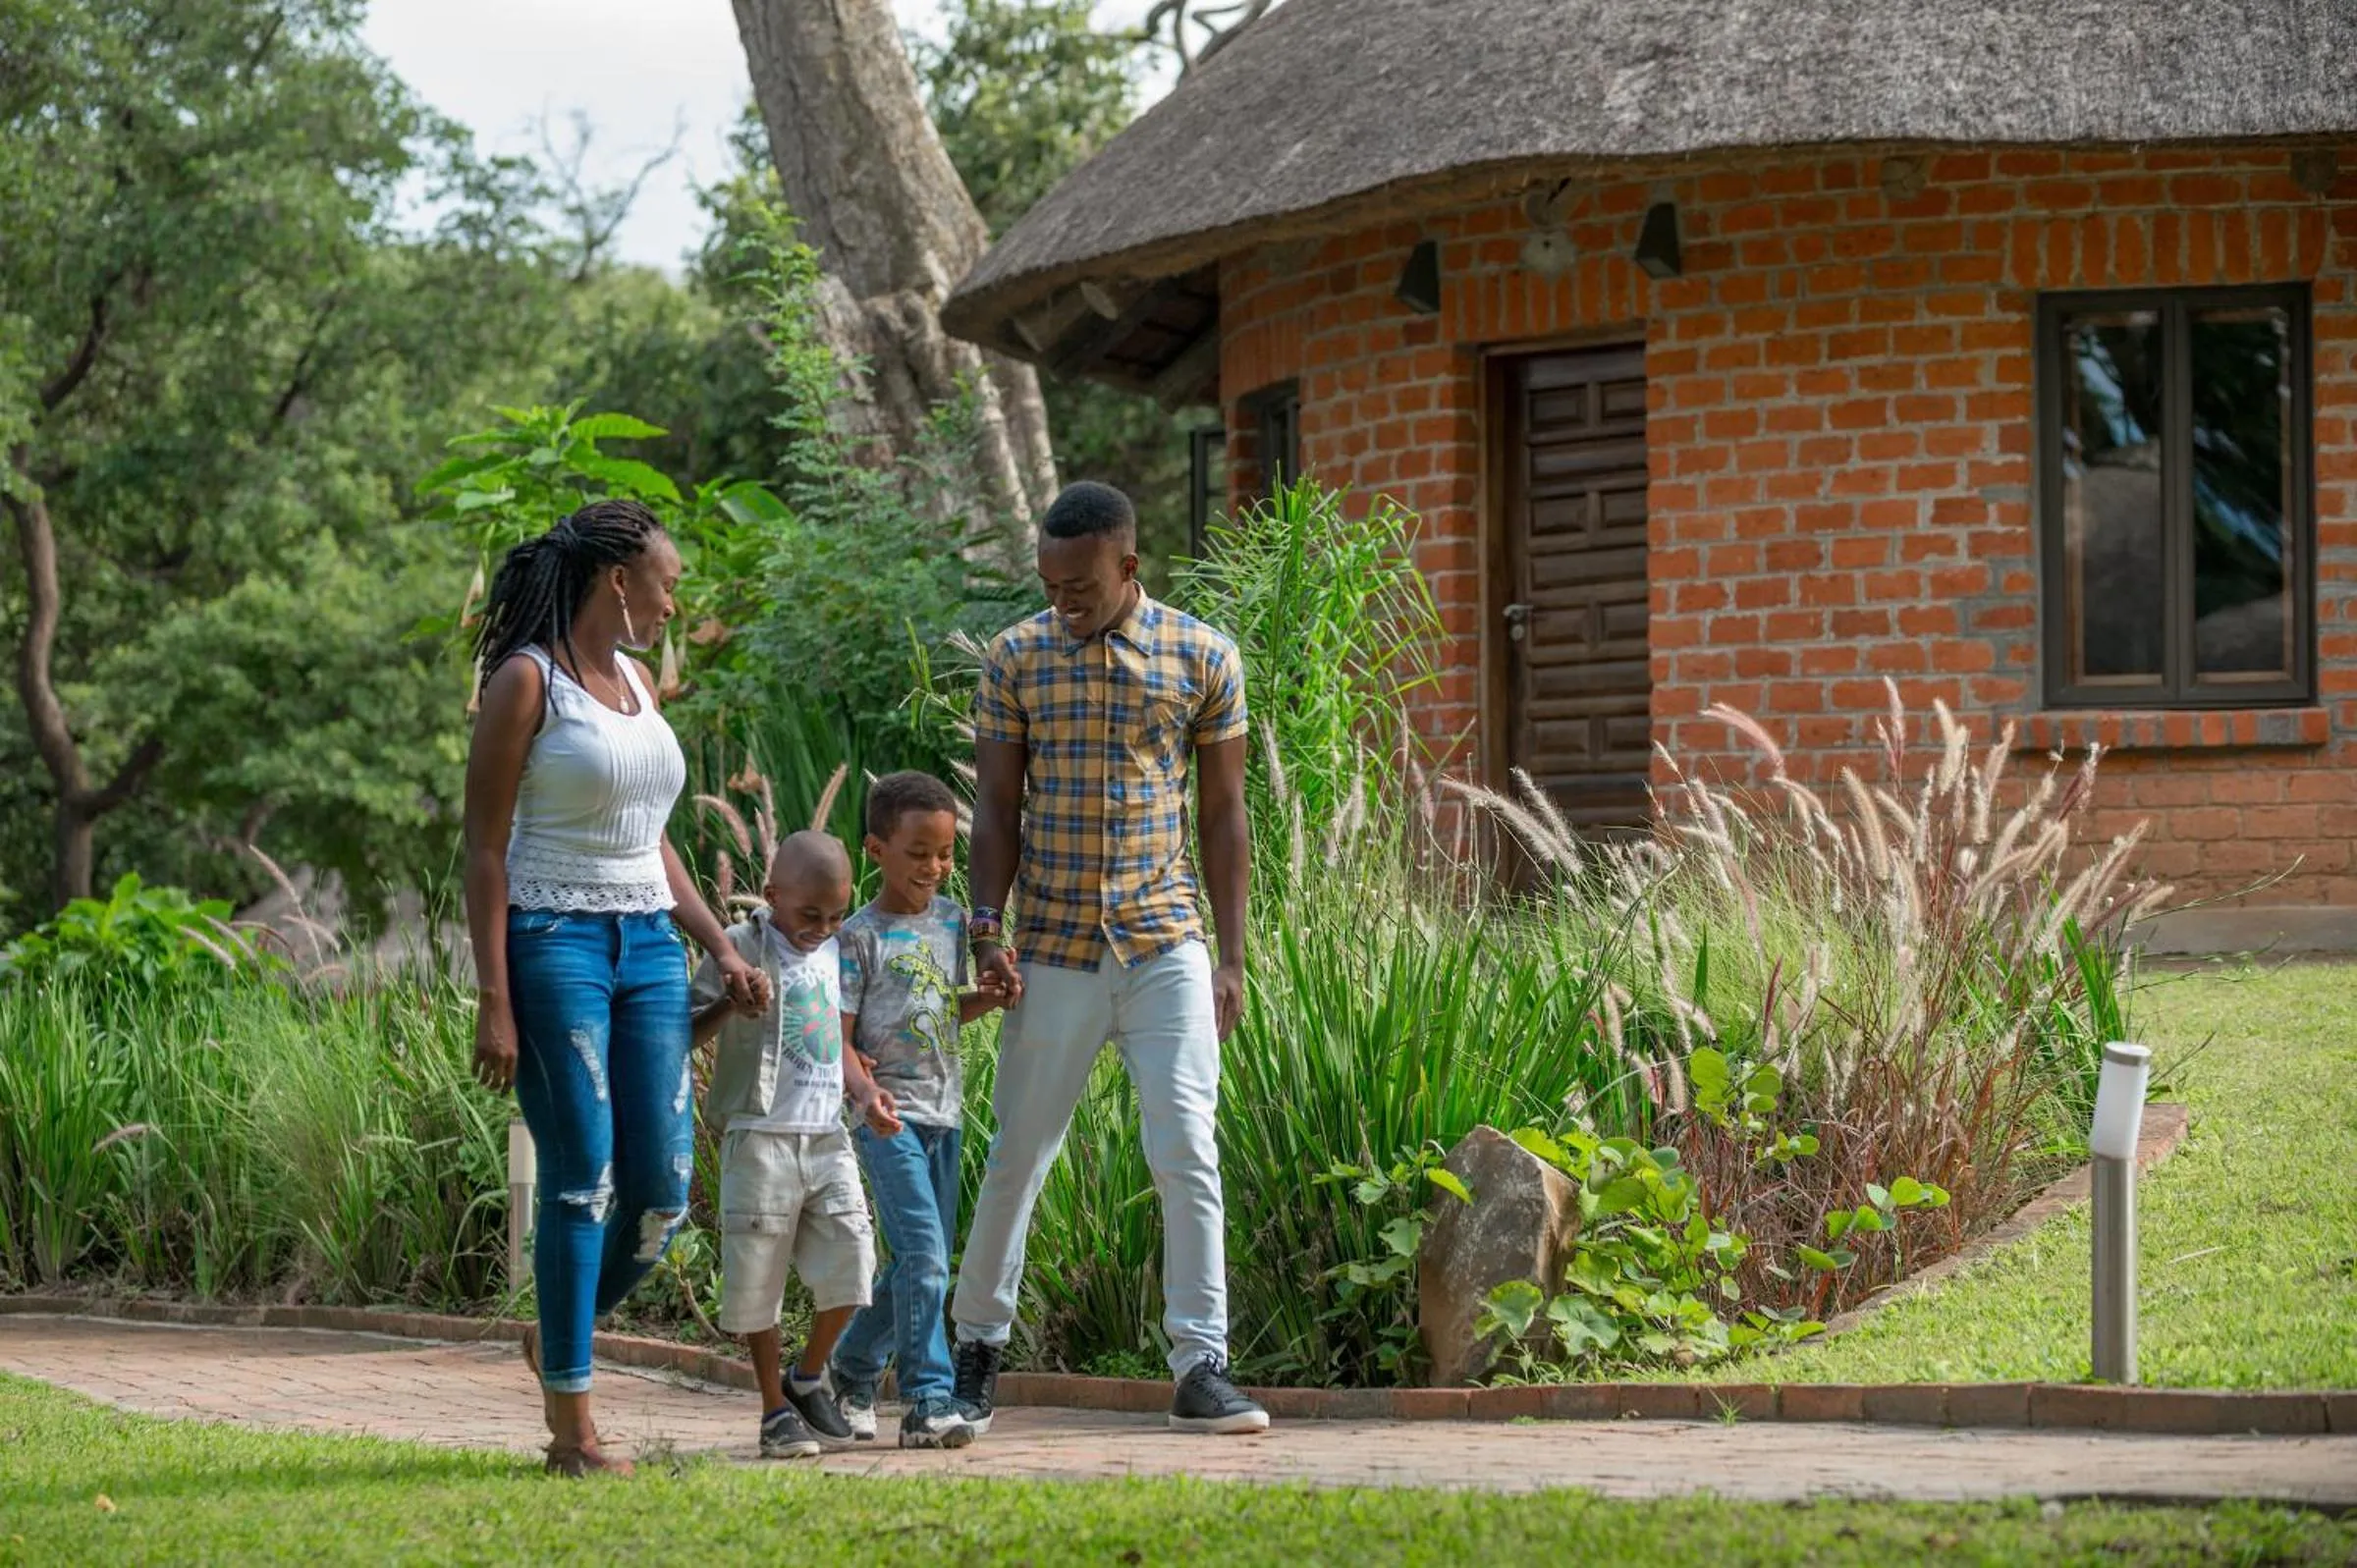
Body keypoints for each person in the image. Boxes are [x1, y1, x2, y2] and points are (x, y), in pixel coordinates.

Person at [949, 480, 1268, 1436]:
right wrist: (984, 929)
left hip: (1165, 936)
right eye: (1050, 586)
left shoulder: (1204, 655)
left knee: (1186, 1145)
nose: (1063, 603)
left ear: (1129, 566)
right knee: (1019, 1153)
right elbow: (997, 809)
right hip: (1053, 943)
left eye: (1080, 587)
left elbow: (1223, 815)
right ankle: (974, 1354)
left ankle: (1200, 1364)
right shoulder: (1016, 656)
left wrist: (1233, 955)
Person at [463, 497, 770, 1478]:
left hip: (648, 950)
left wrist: (720, 946)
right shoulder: (526, 682)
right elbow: (481, 849)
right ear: (618, 579)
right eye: (671, 581)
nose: (678, 600)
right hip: (553, 944)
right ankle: (573, 1433)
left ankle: (561, 1338)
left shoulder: (637, 682)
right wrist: (493, 997)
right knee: (582, 1174)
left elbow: (654, 839)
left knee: (664, 1190)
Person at [690, 829, 898, 1460]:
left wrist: (865, 1095)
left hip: (827, 1134)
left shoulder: (841, 950)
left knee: (855, 1262)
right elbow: (683, 1029)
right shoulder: (737, 948)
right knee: (758, 1278)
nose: (823, 928)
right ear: (773, 893)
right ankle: (772, 1410)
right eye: (810, 915)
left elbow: (838, 1044)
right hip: (759, 1136)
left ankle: (807, 1378)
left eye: (836, 915)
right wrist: (731, 1003)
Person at [828, 772, 1017, 1449]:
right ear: (877, 849)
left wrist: (989, 999)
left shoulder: (951, 920)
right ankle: (927, 1398)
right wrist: (862, 1090)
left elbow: (941, 1012)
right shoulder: (856, 936)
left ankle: (848, 1370)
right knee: (928, 1255)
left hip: (945, 1111)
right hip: (888, 1116)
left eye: (943, 854)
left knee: (916, 1262)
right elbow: (838, 1036)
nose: (934, 868)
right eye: (918, 854)